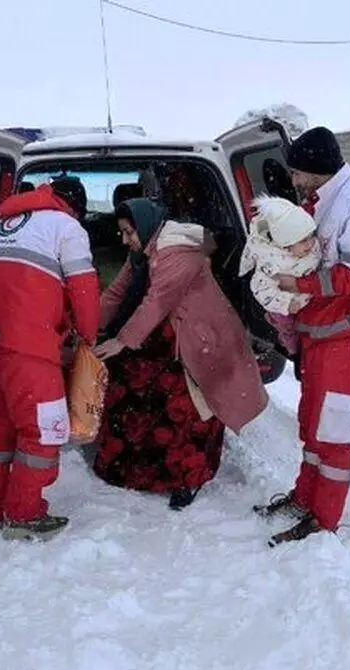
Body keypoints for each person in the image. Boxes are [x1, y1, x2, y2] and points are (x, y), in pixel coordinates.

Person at [253, 126, 350, 546]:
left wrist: (300, 286)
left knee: (332, 436)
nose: (293, 181)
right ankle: (305, 497)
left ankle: (323, 518)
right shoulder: (320, 202)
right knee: (312, 428)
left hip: (348, 341)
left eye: (298, 173)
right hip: (321, 338)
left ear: (317, 169)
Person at [92, 198, 269, 510]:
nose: (124, 240)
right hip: (165, 334)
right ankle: (134, 469)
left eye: (128, 232)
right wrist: (90, 326)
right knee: (131, 395)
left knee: (187, 410)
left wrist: (121, 341)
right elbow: (117, 293)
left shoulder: (176, 252)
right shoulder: (144, 250)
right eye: (122, 233)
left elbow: (157, 301)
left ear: (144, 228)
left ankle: (190, 477)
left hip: (199, 339)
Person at [0, 182, 100, 541]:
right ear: (75, 207)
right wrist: (88, 337)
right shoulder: (66, 227)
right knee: (44, 430)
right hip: (31, 345)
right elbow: (84, 288)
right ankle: (23, 514)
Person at [238, 195, 322, 356]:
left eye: (312, 236)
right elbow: (262, 290)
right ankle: (291, 346)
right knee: (288, 327)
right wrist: (286, 303)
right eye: (304, 240)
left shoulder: (310, 248)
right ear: (286, 244)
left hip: (308, 299)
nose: (311, 243)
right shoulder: (272, 262)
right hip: (284, 305)